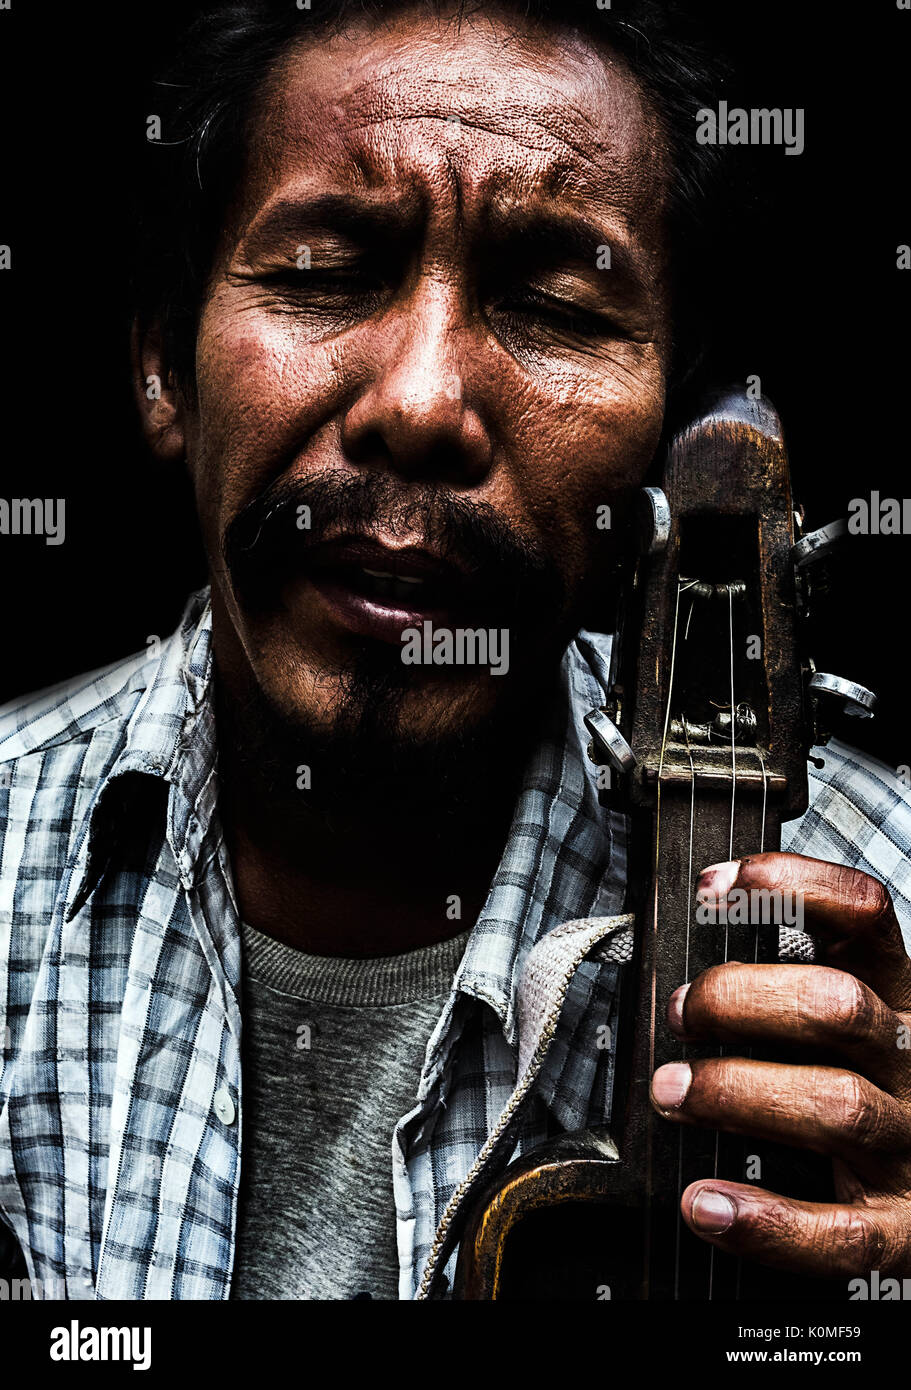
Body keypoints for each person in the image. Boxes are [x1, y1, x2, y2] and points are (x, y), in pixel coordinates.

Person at [1, 0, 910, 1301]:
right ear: (163, 369)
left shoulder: (893, 934)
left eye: (554, 307)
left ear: (661, 438)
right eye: (325, 276)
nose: (423, 404)